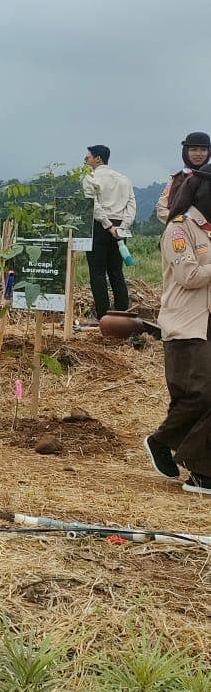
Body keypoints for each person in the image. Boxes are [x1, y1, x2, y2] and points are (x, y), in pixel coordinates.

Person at [143, 166, 211, 495]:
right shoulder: (178, 229)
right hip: (186, 323)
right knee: (197, 396)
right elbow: (190, 276)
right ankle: (161, 441)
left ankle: (202, 473)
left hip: (208, 322)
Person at [81, 145, 136, 319]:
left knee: (97, 273)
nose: (85, 159)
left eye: (88, 157)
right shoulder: (124, 179)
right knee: (116, 271)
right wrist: (122, 227)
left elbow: (94, 206)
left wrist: (107, 225)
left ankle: (103, 315)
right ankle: (122, 312)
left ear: (98, 158)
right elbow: (131, 205)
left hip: (99, 228)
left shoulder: (90, 178)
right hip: (120, 228)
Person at [156, 132, 210, 223]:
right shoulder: (177, 179)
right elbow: (162, 209)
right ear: (186, 152)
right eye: (193, 149)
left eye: (203, 150)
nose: (198, 154)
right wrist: (182, 222)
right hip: (181, 230)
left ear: (209, 152)